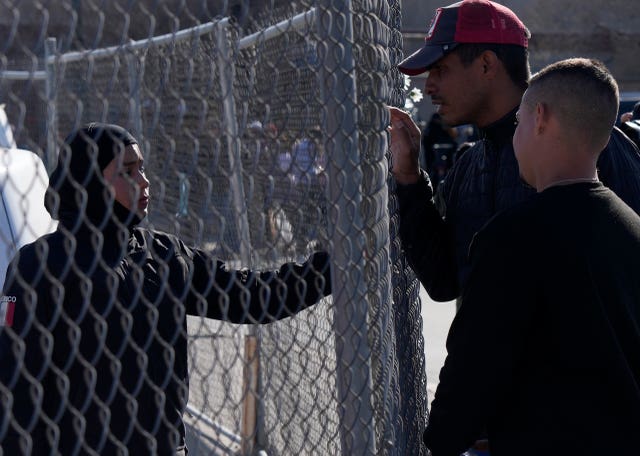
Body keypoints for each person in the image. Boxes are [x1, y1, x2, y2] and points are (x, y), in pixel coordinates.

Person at [0, 123, 332, 455]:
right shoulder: (40, 266)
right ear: (89, 182)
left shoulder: (164, 255)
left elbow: (255, 298)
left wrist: (334, 267)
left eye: (141, 168)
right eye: (127, 172)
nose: (144, 182)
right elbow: (15, 389)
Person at [424, 57, 640, 456]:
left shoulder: (510, 239)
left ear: (539, 118)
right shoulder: (631, 228)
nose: (516, 135)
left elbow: (471, 377)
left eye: (519, 123)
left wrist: (442, 437)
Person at [388, 0, 640, 304]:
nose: (429, 86)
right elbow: (444, 283)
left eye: (440, 69)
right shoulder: (468, 166)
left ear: (486, 64)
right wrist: (410, 179)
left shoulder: (590, 142)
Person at [421, 113, 458, 190]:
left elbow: (454, 135)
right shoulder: (433, 125)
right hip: (434, 155)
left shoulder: (445, 124)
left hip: (446, 153)